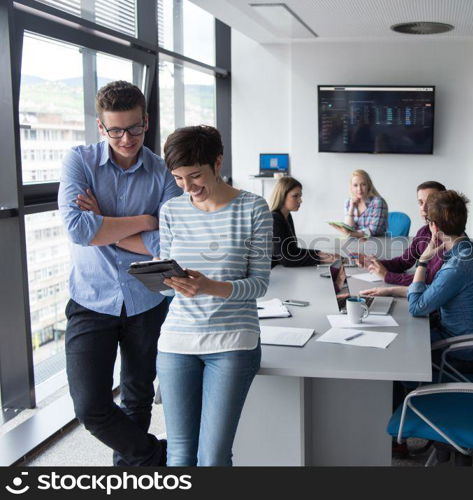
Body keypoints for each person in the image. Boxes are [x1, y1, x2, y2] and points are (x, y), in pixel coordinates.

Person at [57, 80, 181, 466]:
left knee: (137, 397)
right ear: (101, 127)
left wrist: (105, 224)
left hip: (146, 297)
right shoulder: (78, 161)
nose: (126, 138)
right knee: (90, 405)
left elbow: (167, 245)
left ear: (146, 122)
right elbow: (78, 229)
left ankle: (131, 475)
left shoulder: (163, 173)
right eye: (116, 130)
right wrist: (145, 220)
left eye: (134, 128)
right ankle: (154, 455)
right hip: (90, 298)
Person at [155, 126, 272, 466]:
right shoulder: (171, 211)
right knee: (178, 455)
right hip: (177, 341)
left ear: (217, 162)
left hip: (232, 342)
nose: (188, 188)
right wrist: (163, 278)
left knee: (213, 457)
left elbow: (260, 284)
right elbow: (167, 277)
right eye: (178, 179)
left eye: (195, 176)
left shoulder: (253, 209)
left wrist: (210, 287)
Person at [407, 190, 473, 371]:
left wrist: (422, 261)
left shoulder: (456, 267)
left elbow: (416, 308)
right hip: (467, 342)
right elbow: (438, 290)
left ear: (434, 227)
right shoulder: (469, 249)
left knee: (402, 341)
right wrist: (391, 291)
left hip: (458, 353)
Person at [359, 181, 447, 298]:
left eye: (430, 202)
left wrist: (387, 276)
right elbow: (404, 262)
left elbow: (429, 279)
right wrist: (375, 263)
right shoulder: (424, 232)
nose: (424, 208)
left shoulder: (450, 239)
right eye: (420, 202)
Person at [268, 176, 338, 267]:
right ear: (282, 196)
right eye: (295, 196)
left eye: (300, 196)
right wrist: (320, 259)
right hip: (272, 273)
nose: (300, 200)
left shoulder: (287, 216)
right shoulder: (275, 219)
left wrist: (319, 253)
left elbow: (293, 251)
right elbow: (285, 260)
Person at [333, 169, 388, 237]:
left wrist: (351, 234)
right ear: (351, 187)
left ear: (369, 185)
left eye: (363, 184)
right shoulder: (348, 203)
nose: (359, 189)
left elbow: (373, 231)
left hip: (376, 243)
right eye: (355, 185)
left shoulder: (378, 202)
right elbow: (348, 228)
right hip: (354, 243)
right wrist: (351, 208)